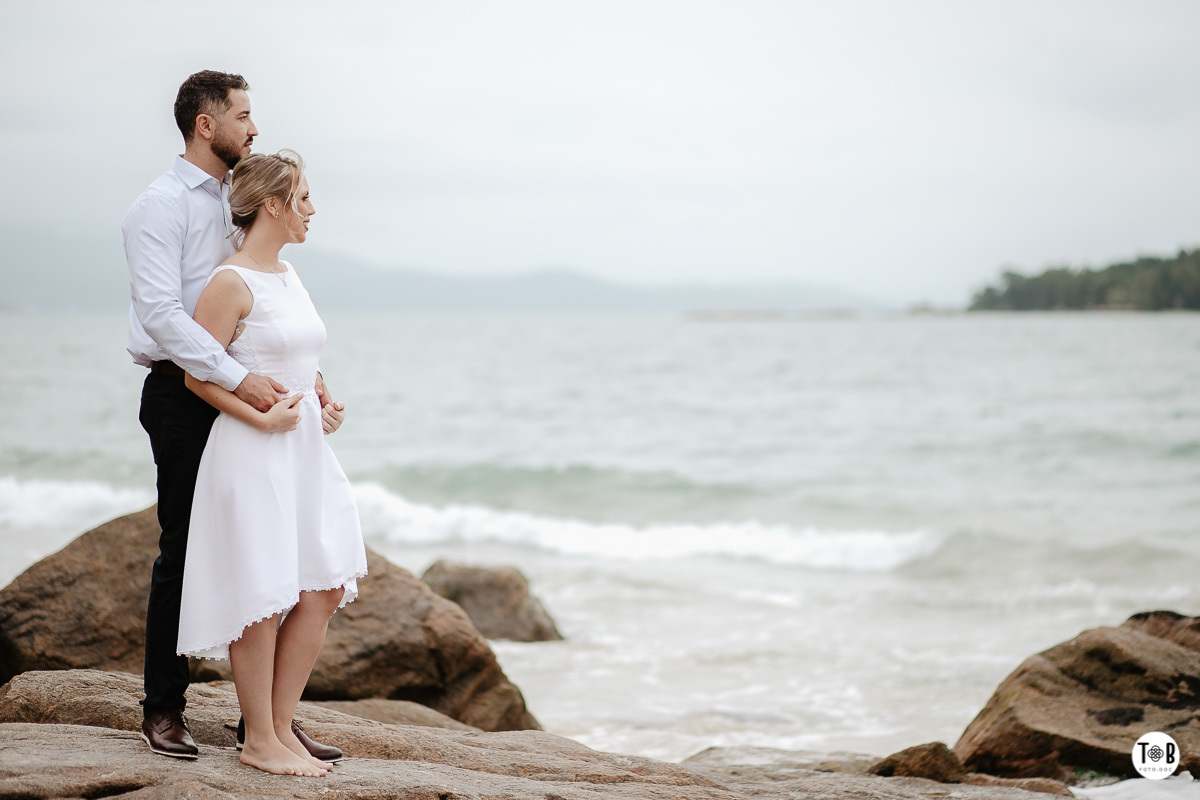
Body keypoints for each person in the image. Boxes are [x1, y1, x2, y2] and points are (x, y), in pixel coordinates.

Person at [123, 71, 340, 761]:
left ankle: (266, 724)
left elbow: (271, 306)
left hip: (252, 383)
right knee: (183, 548)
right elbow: (162, 317)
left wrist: (306, 382)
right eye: (243, 115)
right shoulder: (157, 208)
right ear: (205, 125)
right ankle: (164, 708)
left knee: (277, 555)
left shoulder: (244, 197)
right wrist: (240, 380)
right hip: (186, 388)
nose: (254, 127)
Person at [176, 149, 368, 778]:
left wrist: (321, 394)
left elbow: (299, 353)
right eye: (304, 198)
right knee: (262, 594)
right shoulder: (230, 282)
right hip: (253, 450)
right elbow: (196, 376)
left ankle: (282, 727)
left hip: (306, 449)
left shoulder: (287, 275)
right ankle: (259, 739)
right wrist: (262, 417)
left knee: (324, 581)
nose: (312, 209)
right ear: (275, 205)